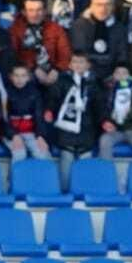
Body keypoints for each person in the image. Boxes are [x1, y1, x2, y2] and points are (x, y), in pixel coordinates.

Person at [44, 54, 103, 183]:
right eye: (74, 62)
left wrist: (105, 121)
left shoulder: (94, 83)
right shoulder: (62, 81)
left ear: (88, 65)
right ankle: (64, 194)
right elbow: (53, 99)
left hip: (87, 130)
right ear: (69, 65)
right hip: (66, 131)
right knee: (66, 163)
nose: (78, 65)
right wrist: (49, 110)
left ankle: (84, 191)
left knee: (86, 170)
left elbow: (100, 106)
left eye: (81, 62)